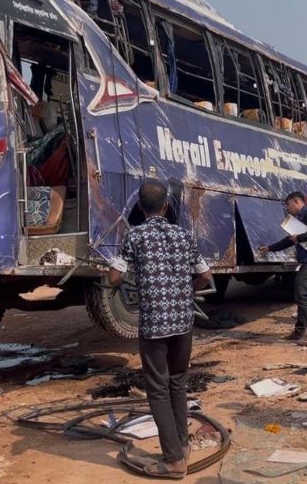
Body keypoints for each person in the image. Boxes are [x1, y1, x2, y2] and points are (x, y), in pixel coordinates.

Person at [109, 180, 212, 479]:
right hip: (183, 322)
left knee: (157, 389)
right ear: (166, 205)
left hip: (155, 324)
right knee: (178, 383)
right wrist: (185, 292)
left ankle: (173, 461)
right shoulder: (183, 235)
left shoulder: (135, 236)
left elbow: (115, 277)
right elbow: (205, 275)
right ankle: (182, 445)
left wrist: (115, 271)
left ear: (141, 207)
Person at [259, 192, 307, 346]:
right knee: (300, 292)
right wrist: (270, 248)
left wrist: (300, 238)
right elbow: (289, 240)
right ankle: (299, 331)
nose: (287, 208)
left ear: (297, 202)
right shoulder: (300, 219)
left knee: (302, 293)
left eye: (288, 204)